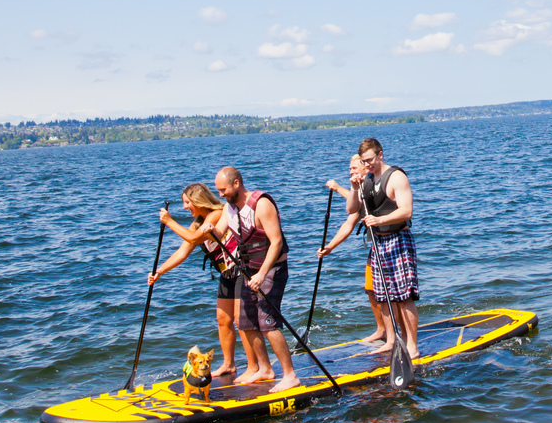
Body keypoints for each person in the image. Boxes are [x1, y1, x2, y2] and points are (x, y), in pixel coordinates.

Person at [147, 182, 263, 382]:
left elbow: (193, 239)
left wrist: (170, 222)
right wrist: (159, 271)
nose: (185, 207)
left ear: (199, 200)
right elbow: (182, 251)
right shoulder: (197, 222)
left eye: (187, 203)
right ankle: (229, 364)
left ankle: (253, 367)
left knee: (240, 320)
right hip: (226, 273)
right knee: (222, 319)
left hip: (241, 270)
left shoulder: (218, 213)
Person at [213, 167, 299, 391]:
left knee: (267, 321)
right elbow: (217, 233)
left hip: (272, 268)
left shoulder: (261, 203)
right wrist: (206, 229)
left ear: (236, 184)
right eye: (218, 191)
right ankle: (264, 368)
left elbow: (277, 242)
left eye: (223, 190)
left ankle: (290, 375)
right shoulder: (229, 208)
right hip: (248, 269)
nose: (221, 194)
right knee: (246, 320)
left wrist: (262, 274)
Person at [345, 138, 419, 358]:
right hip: (379, 244)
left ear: (380, 154)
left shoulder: (396, 177)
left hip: (398, 239)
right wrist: (353, 187)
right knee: (383, 296)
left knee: (404, 295)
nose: (367, 165)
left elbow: (407, 211)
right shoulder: (367, 179)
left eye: (369, 160)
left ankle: (412, 345)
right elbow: (351, 208)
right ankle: (392, 340)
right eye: (363, 161)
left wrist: (378, 220)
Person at [319, 153, 392, 345]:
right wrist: (330, 247)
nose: (350, 171)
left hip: (389, 243)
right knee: (371, 290)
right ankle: (381, 330)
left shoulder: (371, 184)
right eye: (349, 168)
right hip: (375, 246)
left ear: (365, 168)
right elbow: (349, 222)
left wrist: (338, 188)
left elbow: (358, 203)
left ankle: (395, 333)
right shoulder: (358, 189)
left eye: (353, 168)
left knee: (388, 293)